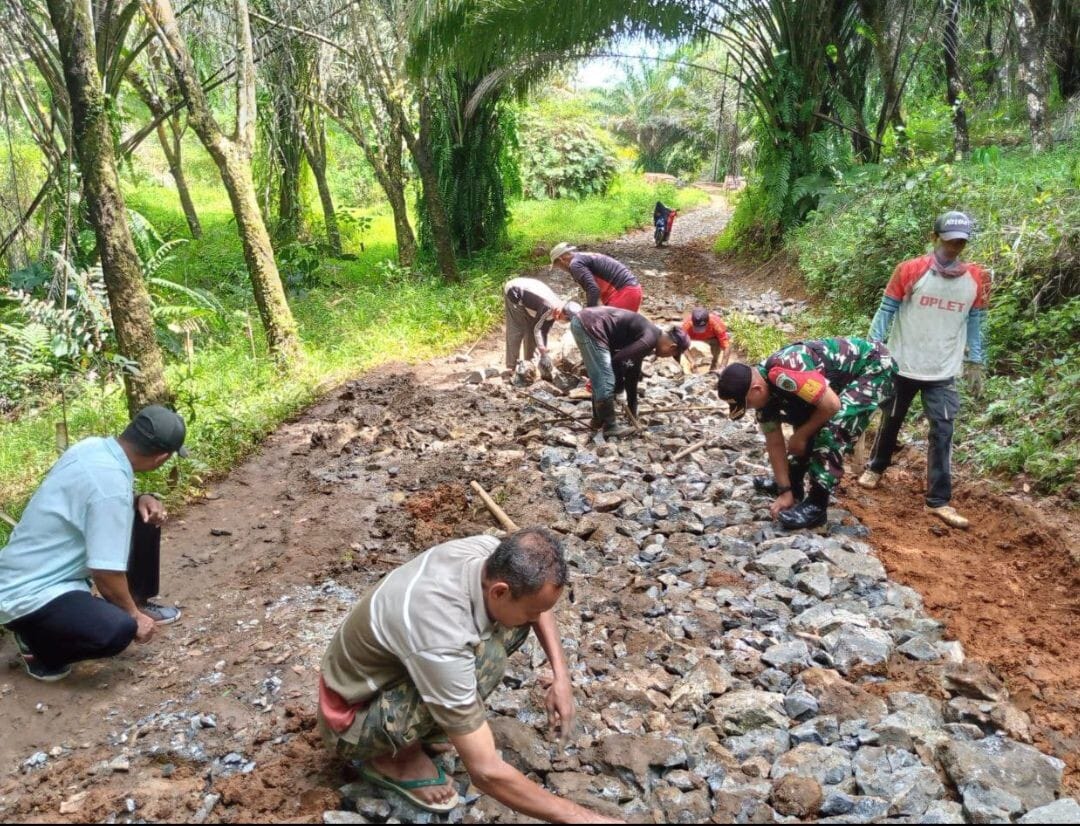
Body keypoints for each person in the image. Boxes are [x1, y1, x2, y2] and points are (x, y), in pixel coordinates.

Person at [317, 529, 620, 824]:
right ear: (500, 591)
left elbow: (539, 600)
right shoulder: (441, 632)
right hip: (351, 719)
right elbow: (485, 772)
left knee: (509, 630)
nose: (536, 616)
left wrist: (561, 676)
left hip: (387, 668)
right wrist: (581, 817)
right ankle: (394, 760)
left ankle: (435, 722)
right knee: (489, 658)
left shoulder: (489, 554)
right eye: (532, 611)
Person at [0, 406, 188, 682]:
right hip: (28, 594)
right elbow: (105, 573)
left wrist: (139, 499)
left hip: (36, 572)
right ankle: (38, 646)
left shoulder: (93, 448)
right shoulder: (109, 488)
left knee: (144, 515)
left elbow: (95, 496)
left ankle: (137, 599)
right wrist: (132, 617)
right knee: (117, 630)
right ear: (161, 457)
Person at [858, 211, 990, 530]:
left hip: (942, 369)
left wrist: (977, 360)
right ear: (935, 238)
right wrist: (873, 348)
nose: (955, 246)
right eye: (949, 239)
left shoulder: (976, 278)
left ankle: (939, 500)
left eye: (961, 241)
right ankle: (876, 467)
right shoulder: (911, 270)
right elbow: (886, 310)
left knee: (943, 430)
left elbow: (977, 321)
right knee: (891, 418)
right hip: (902, 361)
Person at [716, 338, 895, 530]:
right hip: (834, 384)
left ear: (756, 389)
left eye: (748, 404)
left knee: (832, 429)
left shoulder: (784, 375)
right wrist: (785, 490)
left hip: (873, 366)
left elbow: (832, 405)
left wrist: (800, 436)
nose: (750, 408)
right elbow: (774, 443)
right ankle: (794, 485)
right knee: (803, 419)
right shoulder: (764, 393)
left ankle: (817, 505)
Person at [569, 306, 690, 437]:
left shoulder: (648, 339)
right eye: (671, 354)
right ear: (672, 347)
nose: (667, 356)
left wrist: (632, 411)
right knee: (606, 378)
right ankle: (610, 427)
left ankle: (598, 420)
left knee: (602, 376)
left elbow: (633, 374)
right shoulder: (649, 340)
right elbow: (618, 361)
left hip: (587, 323)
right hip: (590, 325)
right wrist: (620, 389)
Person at [503, 277, 581, 381]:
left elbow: (543, 331)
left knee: (532, 330)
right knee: (518, 329)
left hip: (531, 297)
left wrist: (543, 351)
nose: (564, 322)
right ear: (561, 313)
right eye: (566, 320)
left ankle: (529, 365)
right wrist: (543, 353)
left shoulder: (557, 310)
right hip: (515, 291)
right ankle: (511, 368)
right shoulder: (548, 307)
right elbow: (538, 329)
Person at [549, 243, 642, 312]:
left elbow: (593, 289)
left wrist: (589, 313)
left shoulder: (575, 264)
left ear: (561, 259)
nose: (561, 269)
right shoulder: (582, 257)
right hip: (631, 289)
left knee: (608, 331)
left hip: (623, 293)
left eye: (558, 266)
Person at [681, 307, 732, 373]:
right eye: (697, 327)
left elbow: (727, 346)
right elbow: (682, 344)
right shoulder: (686, 325)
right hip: (692, 337)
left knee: (717, 342)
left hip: (711, 338)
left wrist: (723, 367)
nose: (700, 331)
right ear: (692, 322)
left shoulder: (716, 323)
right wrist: (692, 361)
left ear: (708, 321)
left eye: (702, 327)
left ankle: (714, 362)